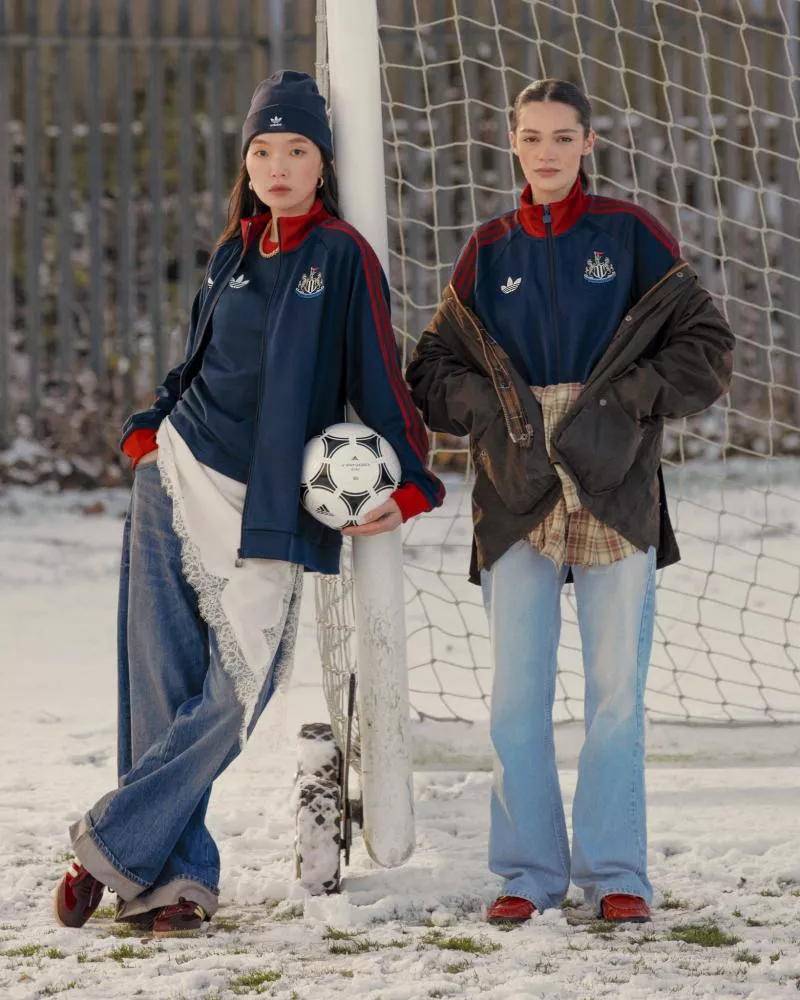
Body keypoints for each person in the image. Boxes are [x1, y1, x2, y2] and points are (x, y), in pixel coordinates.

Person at [54, 70, 444, 934]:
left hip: (269, 508)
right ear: (247, 159)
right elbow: (194, 362)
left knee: (234, 695)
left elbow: (380, 383)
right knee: (159, 683)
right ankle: (173, 887)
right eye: (263, 149)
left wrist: (412, 482)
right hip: (176, 477)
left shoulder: (343, 258)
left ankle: (109, 846)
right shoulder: (235, 248)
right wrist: (149, 427)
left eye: (296, 149)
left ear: (322, 161)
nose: (277, 165)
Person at [405, 78, 733, 925]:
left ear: (589, 142)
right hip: (515, 489)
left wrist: (627, 402)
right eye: (530, 137)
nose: (545, 151)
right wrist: (483, 408)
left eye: (562, 137)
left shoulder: (629, 237)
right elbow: (431, 370)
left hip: (613, 483)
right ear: (510, 143)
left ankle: (617, 872)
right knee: (517, 696)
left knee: (615, 694)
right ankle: (526, 873)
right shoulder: (488, 250)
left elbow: (708, 346)